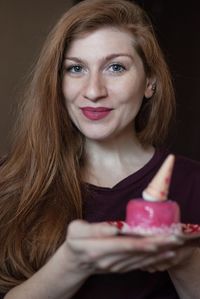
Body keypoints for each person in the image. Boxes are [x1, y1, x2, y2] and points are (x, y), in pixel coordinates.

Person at [0, 0, 199, 298]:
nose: (93, 91)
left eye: (115, 67)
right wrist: (72, 263)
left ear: (150, 82)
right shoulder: (10, 181)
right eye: (76, 68)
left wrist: (184, 260)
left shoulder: (194, 183)